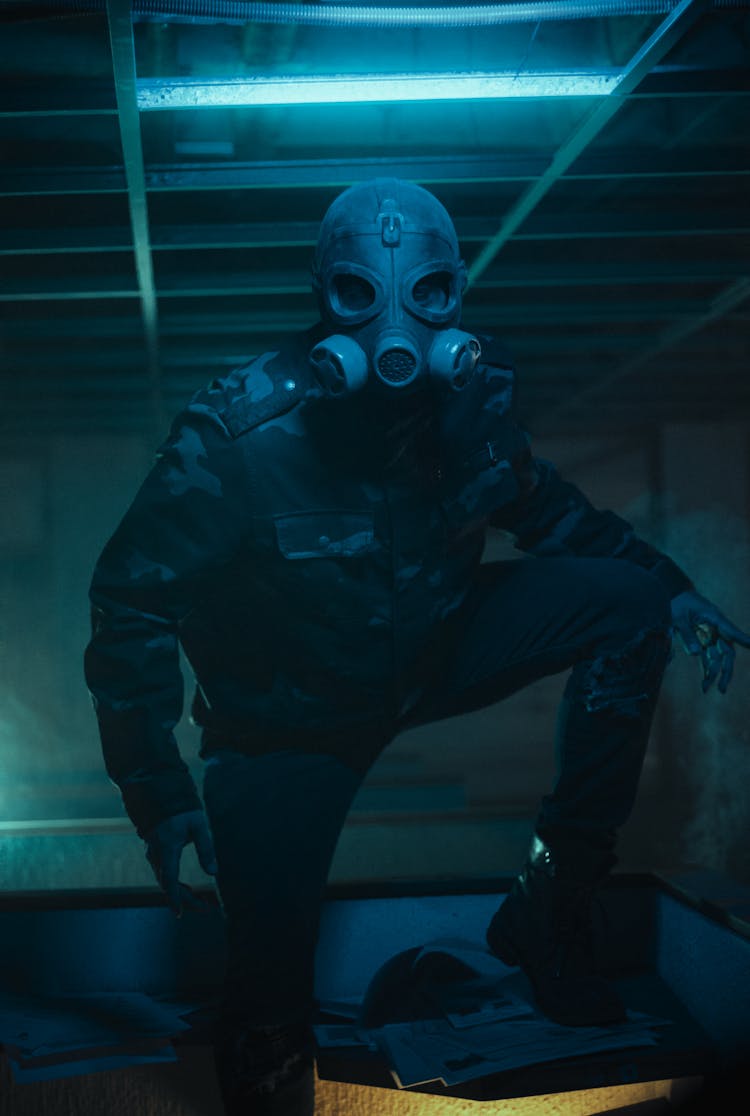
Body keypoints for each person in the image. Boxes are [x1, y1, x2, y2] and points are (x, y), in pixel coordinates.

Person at [84, 178, 749, 1115]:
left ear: (457, 293)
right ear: (323, 294)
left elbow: (548, 508)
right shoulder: (240, 435)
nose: (396, 323)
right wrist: (157, 795)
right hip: (286, 727)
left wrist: (673, 588)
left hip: (435, 656)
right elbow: (131, 600)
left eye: (427, 293)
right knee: (268, 1014)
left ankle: (551, 906)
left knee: (631, 605)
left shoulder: (469, 409)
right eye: (361, 294)